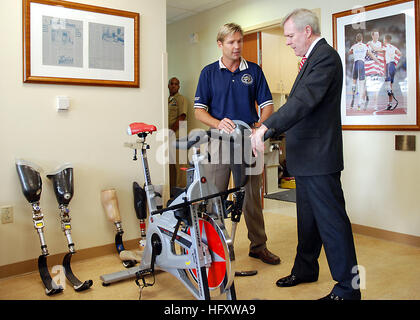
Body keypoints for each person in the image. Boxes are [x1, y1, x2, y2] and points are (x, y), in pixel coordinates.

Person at [250, 9, 361, 300]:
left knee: (333, 223)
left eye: (290, 35)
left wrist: (266, 127)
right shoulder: (312, 59)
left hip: (320, 157)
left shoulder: (325, 57)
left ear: (307, 31)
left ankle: (349, 288)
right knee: (308, 220)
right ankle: (306, 268)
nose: (287, 41)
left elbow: (303, 101)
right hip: (307, 158)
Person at [194, 23, 280, 265]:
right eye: (231, 42)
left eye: (240, 41)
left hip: (247, 141)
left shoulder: (254, 71)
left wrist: (258, 129)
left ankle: (258, 246)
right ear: (220, 45)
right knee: (214, 195)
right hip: (217, 142)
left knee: (252, 196)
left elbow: (267, 106)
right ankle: (215, 245)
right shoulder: (208, 73)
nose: (237, 46)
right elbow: (199, 111)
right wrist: (217, 122)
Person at [348, 33, 380, 110]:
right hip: (361, 63)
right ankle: (359, 102)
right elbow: (371, 55)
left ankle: (352, 100)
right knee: (361, 83)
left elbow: (349, 52)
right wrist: (377, 61)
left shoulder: (354, 46)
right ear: (362, 39)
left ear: (356, 39)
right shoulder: (365, 46)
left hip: (355, 64)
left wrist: (355, 51)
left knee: (354, 82)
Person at [168, 77, 188, 189]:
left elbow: (182, 116)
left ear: (179, 87)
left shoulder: (181, 99)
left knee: (181, 165)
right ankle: (172, 190)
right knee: (170, 165)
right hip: (169, 136)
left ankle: (182, 190)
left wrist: (171, 131)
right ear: (168, 86)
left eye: (176, 84)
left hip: (179, 136)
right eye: (172, 83)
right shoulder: (167, 100)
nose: (174, 86)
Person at [383, 34, 401, 110]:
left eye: (384, 39)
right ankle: (390, 104)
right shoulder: (393, 47)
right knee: (390, 85)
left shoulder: (385, 47)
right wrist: (393, 58)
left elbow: (377, 50)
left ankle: (390, 98)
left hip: (389, 65)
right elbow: (399, 53)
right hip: (393, 66)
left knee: (388, 85)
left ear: (385, 40)